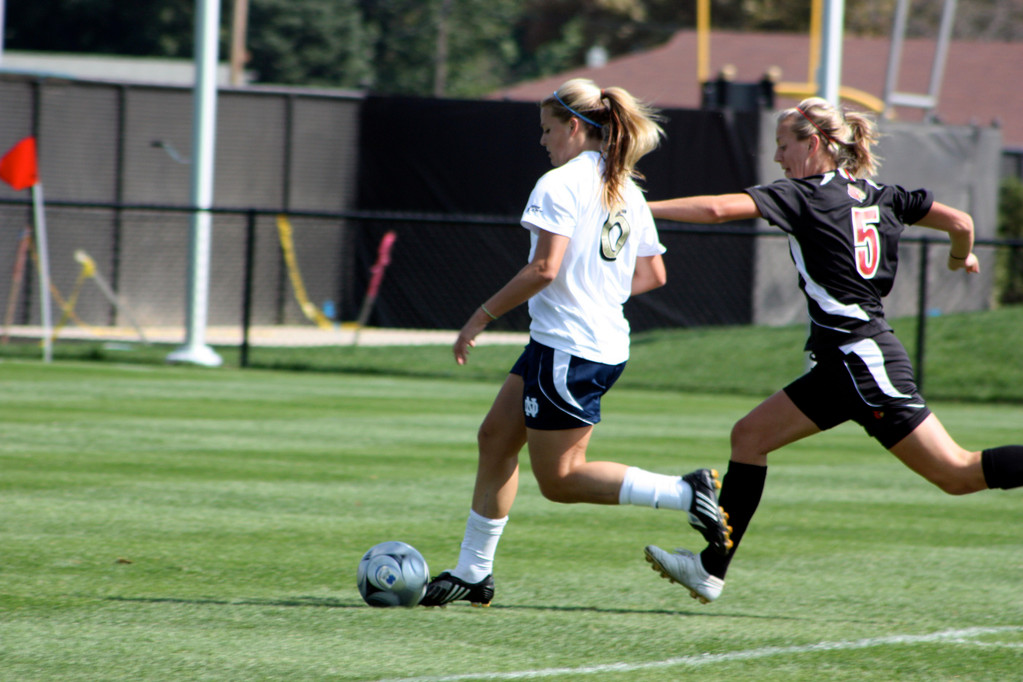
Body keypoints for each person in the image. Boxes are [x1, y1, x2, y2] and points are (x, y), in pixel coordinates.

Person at [643, 96, 1023, 604]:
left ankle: (711, 567)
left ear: (815, 143)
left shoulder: (804, 195)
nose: (778, 158)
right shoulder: (882, 194)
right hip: (847, 361)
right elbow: (961, 222)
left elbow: (716, 209)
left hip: (862, 360)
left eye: (783, 145)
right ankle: (710, 568)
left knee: (957, 474)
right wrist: (962, 259)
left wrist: (637, 209)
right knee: (749, 437)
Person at [420, 78, 732, 607]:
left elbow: (544, 269)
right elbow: (653, 274)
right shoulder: (627, 188)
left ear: (574, 126)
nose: (542, 141)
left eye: (547, 129)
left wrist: (480, 316)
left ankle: (686, 492)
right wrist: (597, 290)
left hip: (570, 348)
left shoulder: (560, 183)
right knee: (496, 437)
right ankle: (474, 572)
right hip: (580, 342)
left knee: (560, 480)